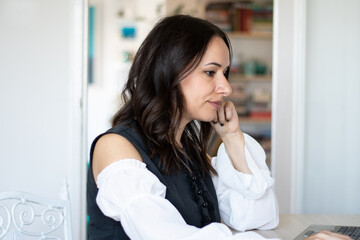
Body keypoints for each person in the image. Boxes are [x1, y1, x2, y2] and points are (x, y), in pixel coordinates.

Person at [86, 14, 349, 240]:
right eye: (211, 72)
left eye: (225, 73)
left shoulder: (186, 148)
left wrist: (233, 138)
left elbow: (259, 219)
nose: (226, 88)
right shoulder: (116, 148)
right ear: (168, 72)